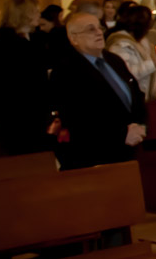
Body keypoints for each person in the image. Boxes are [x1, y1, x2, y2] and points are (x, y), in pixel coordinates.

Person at [50, 11, 147, 170]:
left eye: (99, 27)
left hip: (130, 150)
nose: (99, 32)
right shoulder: (65, 71)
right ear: (74, 38)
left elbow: (136, 95)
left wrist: (141, 125)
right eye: (90, 29)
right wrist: (122, 134)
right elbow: (78, 117)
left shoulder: (113, 60)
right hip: (95, 157)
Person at [0, 0, 53, 154]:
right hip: (15, 112)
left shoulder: (37, 38)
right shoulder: (0, 42)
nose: (39, 15)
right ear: (23, 14)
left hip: (38, 109)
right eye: (35, 11)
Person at [107, 2, 156, 103]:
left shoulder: (143, 42)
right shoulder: (120, 45)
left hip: (144, 99)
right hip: (128, 100)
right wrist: (152, 64)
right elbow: (125, 74)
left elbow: (153, 76)